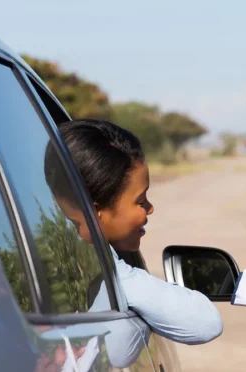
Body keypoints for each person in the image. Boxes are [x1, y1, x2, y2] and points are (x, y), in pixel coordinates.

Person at [43, 119, 223, 346]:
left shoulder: (47, 252)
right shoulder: (112, 275)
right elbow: (206, 324)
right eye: (140, 200)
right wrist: (126, 280)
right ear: (95, 211)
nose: (150, 208)